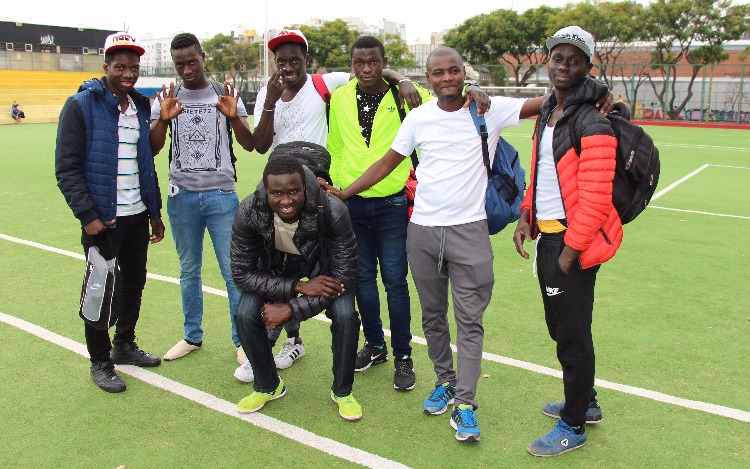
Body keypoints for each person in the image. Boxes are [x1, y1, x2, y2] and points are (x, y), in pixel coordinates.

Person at [322, 44, 557, 442]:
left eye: (454, 71)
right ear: (428, 78)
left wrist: (591, 88)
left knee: (469, 321)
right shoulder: (417, 118)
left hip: (470, 232)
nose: (447, 78)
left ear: (463, 72)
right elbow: (386, 164)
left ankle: (465, 403)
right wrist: (346, 194)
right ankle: (445, 382)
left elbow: (545, 102)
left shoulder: (487, 110)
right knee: (432, 318)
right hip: (423, 232)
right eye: (439, 73)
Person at [325, 36, 491, 392]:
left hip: (393, 205)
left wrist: (474, 87)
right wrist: (340, 185)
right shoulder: (339, 97)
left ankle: (404, 356)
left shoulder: (409, 92)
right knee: (362, 282)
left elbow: (450, 93)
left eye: (374, 62)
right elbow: (336, 145)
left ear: (384, 61)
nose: (366, 69)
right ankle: (375, 346)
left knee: (396, 283)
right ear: (352, 64)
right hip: (351, 205)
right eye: (359, 63)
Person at [251, 29, 422, 371]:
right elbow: (263, 144)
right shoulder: (320, 95)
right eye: (281, 61)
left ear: (307, 61)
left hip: (366, 202)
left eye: (294, 60)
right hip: (322, 201)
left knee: (389, 281)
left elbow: (375, 70)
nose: (287, 66)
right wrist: (269, 100)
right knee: (305, 268)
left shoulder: (329, 84)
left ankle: (399, 355)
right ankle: (353, 344)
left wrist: (403, 78)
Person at [512, 26, 620, 457]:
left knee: (572, 335)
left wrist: (570, 254)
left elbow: (595, 200)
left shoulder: (592, 121)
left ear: (587, 67)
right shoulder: (547, 114)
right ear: (549, 60)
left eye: (574, 60)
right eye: (558, 57)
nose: (564, 65)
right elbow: (539, 173)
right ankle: (586, 402)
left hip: (572, 245)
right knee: (561, 328)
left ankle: (573, 423)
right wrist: (525, 216)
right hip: (548, 236)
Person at [55, 32, 164, 393]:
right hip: (102, 219)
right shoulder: (81, 105)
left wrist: (154, 212)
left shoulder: (140, 105)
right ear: (106, 68)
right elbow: (67, 168)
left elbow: (145, 163)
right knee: (100, 290)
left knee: (134, 282)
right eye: (120, 66)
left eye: (134, 67)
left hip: (136, 215)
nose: (128, 73)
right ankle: (100, 361)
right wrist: (88, 215)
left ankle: (124, 345)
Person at [150, 33, 256, 366]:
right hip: (181, 196)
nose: (186, 69)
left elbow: (249, 143)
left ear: (203, 57)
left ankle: (241, 340)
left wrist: (234, 116)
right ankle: (192, 336)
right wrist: (163, 120)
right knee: (189, 271)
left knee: (232, 271)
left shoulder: (225, 94)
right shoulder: (167, 97)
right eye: (179, 64)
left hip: (222, 195)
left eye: (192, 61)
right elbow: (152, 148)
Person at [231, 154, 361, 421]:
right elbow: (242, 274)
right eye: (276, 193)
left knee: (346, 316)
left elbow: (345, 277)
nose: (286, 200)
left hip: (324, 274)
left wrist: (290, 308)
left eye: (294, 192)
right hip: (276, 272)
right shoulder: (249, 211)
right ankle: (268, 385)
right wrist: (299, 287)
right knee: (245, 315)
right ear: (265, 191)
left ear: (305, 188)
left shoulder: (332, 210)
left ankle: (342, 391)